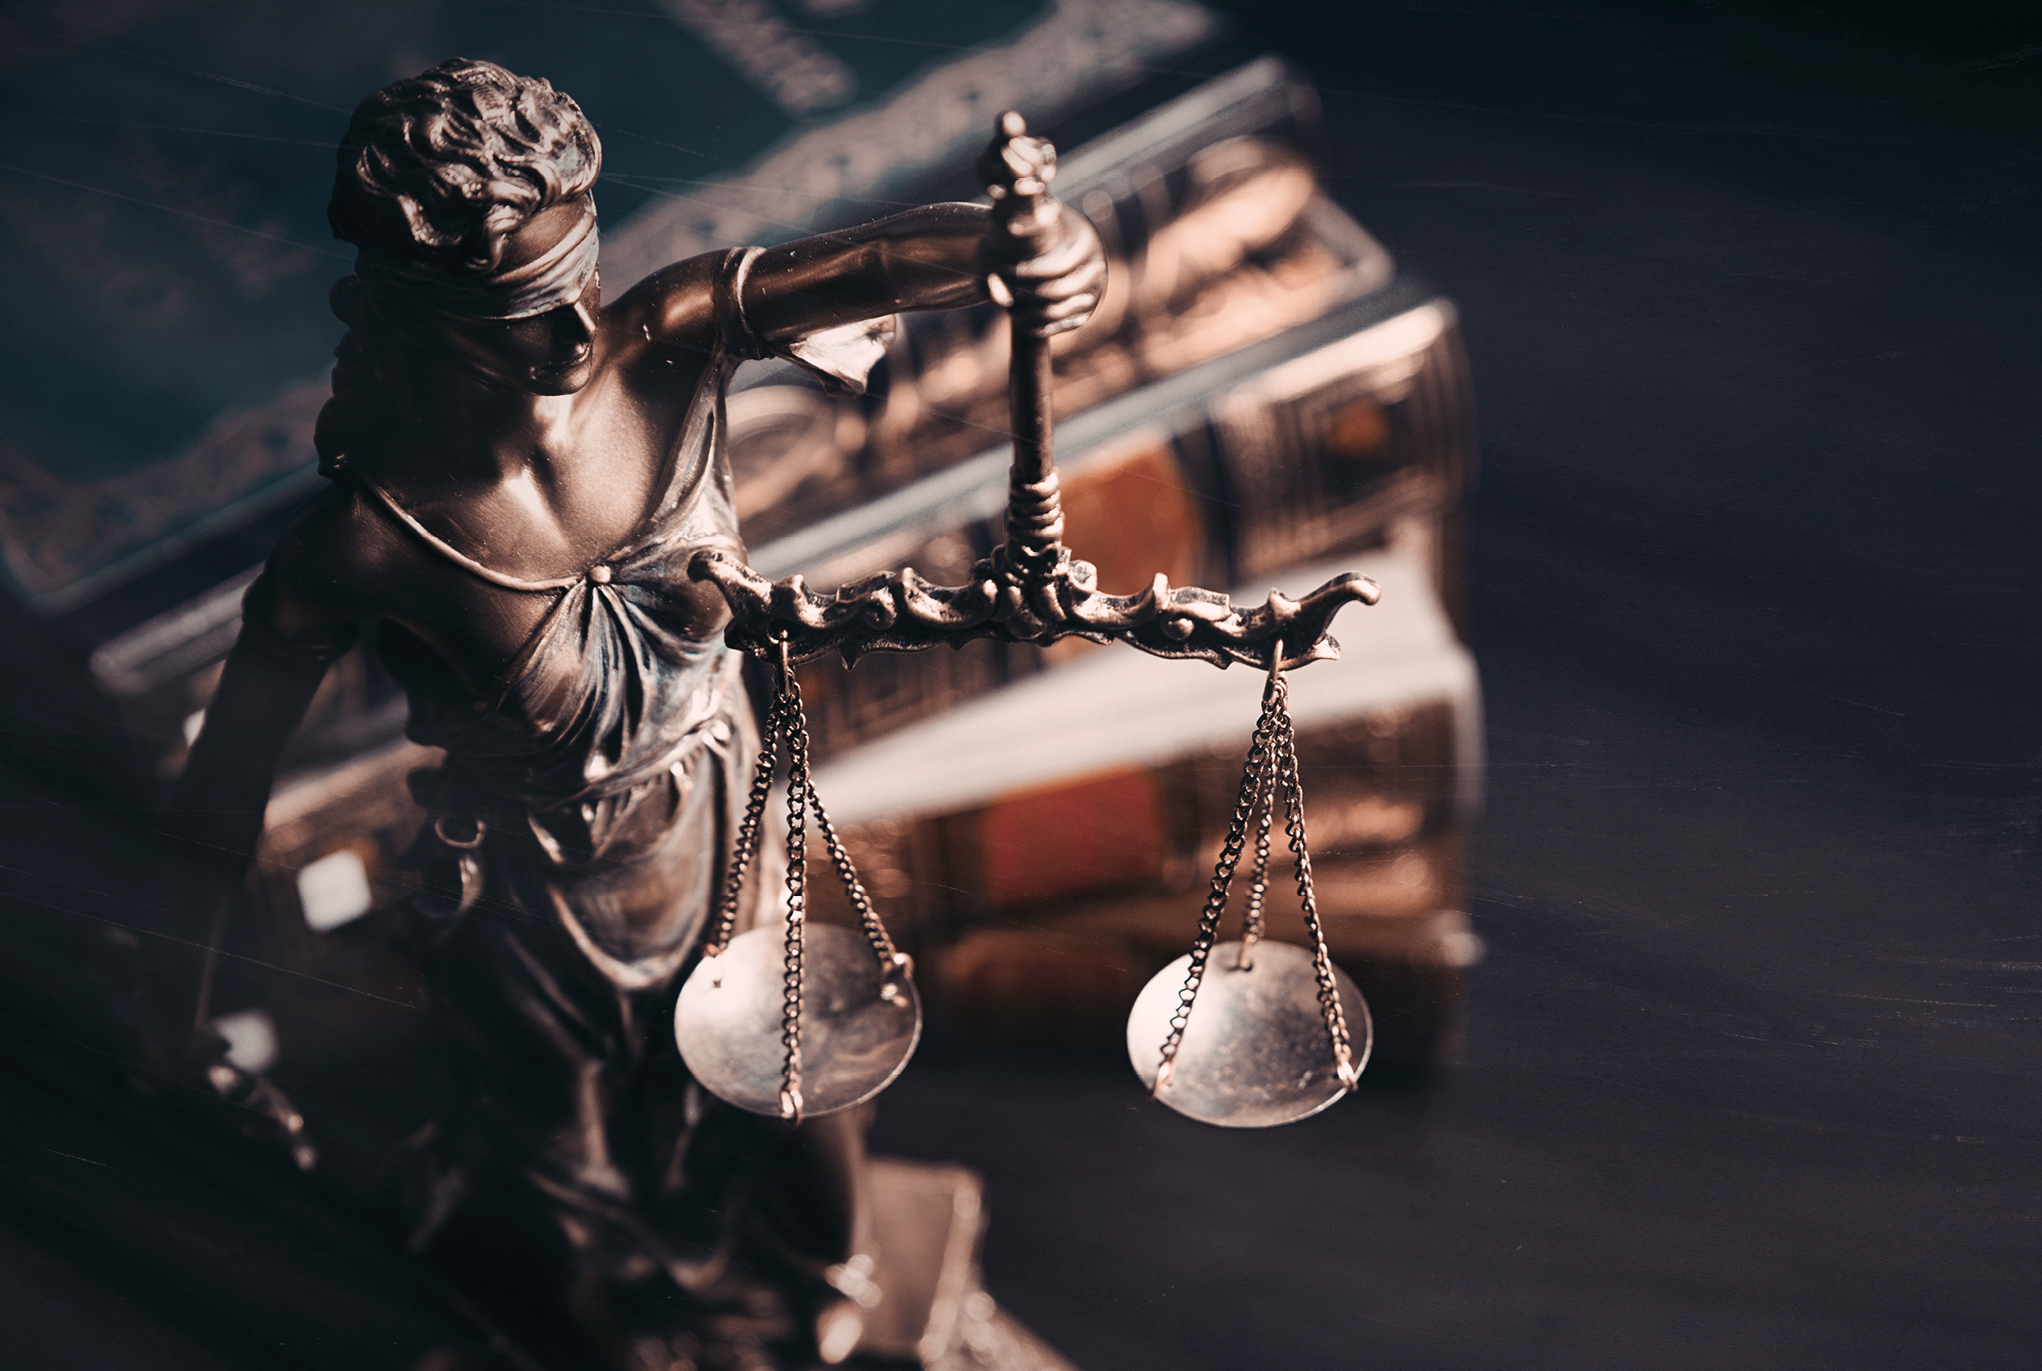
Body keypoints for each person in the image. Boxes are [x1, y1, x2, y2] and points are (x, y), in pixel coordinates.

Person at [157, 57, 1102, 1371]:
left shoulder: (666, 346)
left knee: (803, 1131)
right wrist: (183, 1015)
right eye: (518, 316)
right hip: (531, 914)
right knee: (570, 1206)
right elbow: (220, 796)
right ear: (414, 310)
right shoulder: (366, 545)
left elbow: (887, 260)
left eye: (581, 281)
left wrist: (1030, 246)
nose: (573, 337)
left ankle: (839, 1301)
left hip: (718, 830)